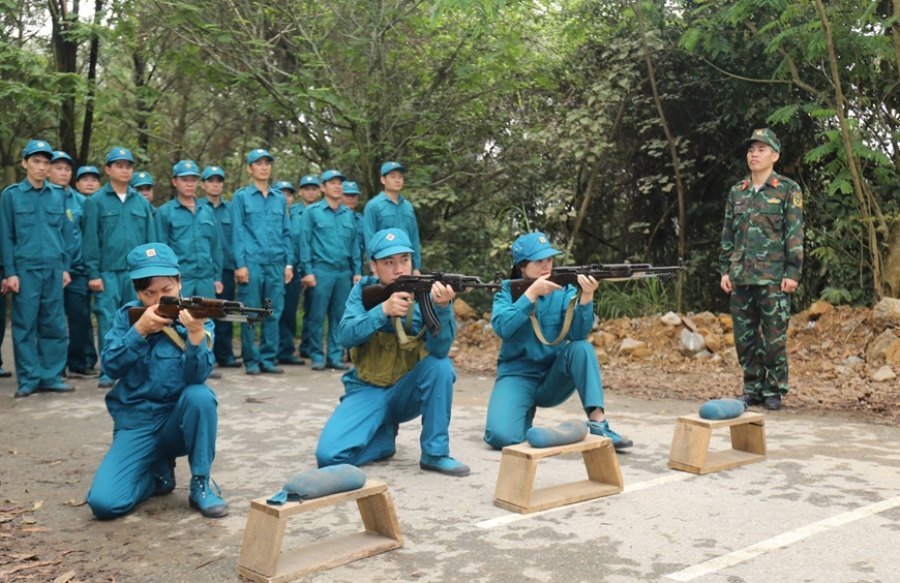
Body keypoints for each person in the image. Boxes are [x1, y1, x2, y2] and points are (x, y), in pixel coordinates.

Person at [85, 242, 228, 519]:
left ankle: (200, 483)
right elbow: (111, 367)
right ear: (137, 292)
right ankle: (156, 476)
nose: (158, 300)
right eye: (149, 293)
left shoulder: (197, 316)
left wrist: (195, 335)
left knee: (200, 396)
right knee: (104, 503)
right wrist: (138, 332)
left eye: (167, 291)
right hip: (136, 423)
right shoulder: (127, 317)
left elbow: (196, 377)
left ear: (179, 282)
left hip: (177, 422)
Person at [315, 228, 469, 477]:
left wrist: (442, 308)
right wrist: (382, 311)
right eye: (389, 262)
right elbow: (344, 336)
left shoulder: (427, 293)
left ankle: (435, 453)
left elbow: (439, 351)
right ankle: (383, 442)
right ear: (373, 266)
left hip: (405, 392)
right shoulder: (363, 291)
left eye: (404, 260)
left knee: (441, 367)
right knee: (329, 457)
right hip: (367, 389)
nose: (399, 269)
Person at [483, 232, 633, 451]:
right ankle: (526, 419)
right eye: (539, 261)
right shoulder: (508, 289)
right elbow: (502, 327)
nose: (546, 265)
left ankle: (599, 424)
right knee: (500, 437)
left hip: (553, 376)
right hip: (517, 375)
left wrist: (586, 297)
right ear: (522, 267)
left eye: (549, 260)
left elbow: (578, 334)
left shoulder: (564, 290)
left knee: (582, 348)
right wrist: (530, 295)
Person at [719, 128, 804, 411]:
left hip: (773, 278)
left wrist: (793, 273)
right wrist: (725, 270)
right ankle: (751, 388)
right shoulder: (736, 192)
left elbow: (794, 234)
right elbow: (728, 236)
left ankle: (773, 390)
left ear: (775, 156)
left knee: (773, 339)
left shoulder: (787, 190)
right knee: (745, 338)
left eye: (762, 149)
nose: (754, 154)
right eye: (751, 149)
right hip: (741, 277)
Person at [0, 140, 73, 398]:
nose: (42, 167)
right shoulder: (11, 196)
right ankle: (28, 379)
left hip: (53, 269)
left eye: (46, 163)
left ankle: (50, 376)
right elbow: (6, 236)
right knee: (24, 325)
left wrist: (65, 267)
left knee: (53, 324)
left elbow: (64, 233)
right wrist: (10, 272)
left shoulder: (58, 193)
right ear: (25, 163)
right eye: (36, 162)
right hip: (26, 270)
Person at [82, 147, 157, 388]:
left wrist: (153, 273)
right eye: (119, 165)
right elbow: (91, 240)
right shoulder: (96, 201)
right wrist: (93, 273)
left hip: (138, 275)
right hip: (107, 272)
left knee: (140, 318)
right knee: (108, 320)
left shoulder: (141, 203)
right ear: (108, 169)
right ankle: (108, 370)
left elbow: (151, 240)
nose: (124, 170)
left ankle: (136, 368)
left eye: (128, 166)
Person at [230, 148, 293, 375]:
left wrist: (289, 263)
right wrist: (240, 265)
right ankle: (251, 360)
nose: (264, 167)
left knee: (273, 312)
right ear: (250, 168)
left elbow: (287, 232)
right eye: (258, 163)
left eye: (267, 163)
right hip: (252, 263)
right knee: (251, 312)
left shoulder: (279, 199)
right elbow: (237, 232)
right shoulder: (241, 197)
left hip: (276, 262)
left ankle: (268, 358)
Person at [299, 169, 362, 370]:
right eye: (332, 183)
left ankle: (334, 356)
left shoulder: (347, 214)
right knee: (317, 316)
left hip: (343, 272)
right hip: (321, 271)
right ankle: (317, 356)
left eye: (339, 183)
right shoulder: (313, 212)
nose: (337, 186)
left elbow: (354, 245)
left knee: (340, 316)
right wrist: (307, 271)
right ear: (323, 188)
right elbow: (305, 243)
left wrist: (357, 271)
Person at [49, 152, 98, 378]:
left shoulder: (81, 202)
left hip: (77, 270)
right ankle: (52, 367)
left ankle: (79, 362)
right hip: (49, 269)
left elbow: (89, 236)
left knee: (80, 318)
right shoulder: (43, 197)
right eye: (58, 168)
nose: (63, 173)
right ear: (49, 170)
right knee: (50, 319)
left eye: (67, 169)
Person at [155, 160, 222, 297]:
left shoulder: (207, 211)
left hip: (206, 278)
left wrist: (217, 278)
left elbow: (215, 247)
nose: (189, 184)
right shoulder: (165, 212)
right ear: (175, 182)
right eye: (184, 180)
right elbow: (161, 248)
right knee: (178, 317)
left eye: (193, 180)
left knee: (206, 317)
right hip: (180, 279)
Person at [198, 164, 241, 368]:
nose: (215, 185)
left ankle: (226, 354)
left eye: (219, 181)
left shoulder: (231, 209)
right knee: (204, 313)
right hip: (204, 269)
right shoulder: (197, 207)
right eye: (210, 181)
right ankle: (207, 354)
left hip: (226, 268)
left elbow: (237, 238)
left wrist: (237, 266)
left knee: (225, 312)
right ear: (203, 184)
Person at [363, 161, 422, 273]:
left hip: (405, 263)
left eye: (400, 177)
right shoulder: (373, 206)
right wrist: (374, 268)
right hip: (385, 264)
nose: (397, 180)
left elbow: (414, 237)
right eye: (393, 176)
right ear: (383, 180)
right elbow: (369, 237)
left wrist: (416, 267)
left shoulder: (408, 206)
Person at [274, 180, 305, 366]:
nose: (285, 197)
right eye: (281, 193)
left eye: (289, 194)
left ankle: (286, 351)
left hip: (293, 273)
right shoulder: (270, 217)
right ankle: (270, 351)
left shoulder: (300, 217)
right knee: (271, 310)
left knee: (290, 312)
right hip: (273, 272)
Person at [296, 174, 321, 360]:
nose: (310, 192)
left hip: (314, 267)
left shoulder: (320, 212)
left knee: (313, 309)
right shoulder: (293, 211)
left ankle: (307, 346)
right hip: (293, 266)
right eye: (307, 189)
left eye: (314, 188)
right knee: (291, 311)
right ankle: (287, 348)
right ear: (301, 192)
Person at [341, 180, 366, 269]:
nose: (350, 198)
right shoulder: (333, 219)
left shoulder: (362, 220)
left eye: (353, 195)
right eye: (347, 195)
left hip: (358, 266)